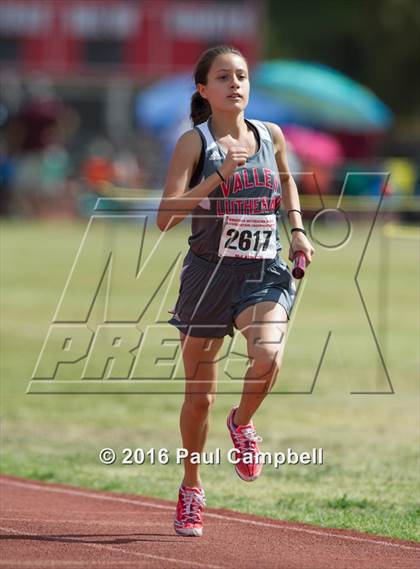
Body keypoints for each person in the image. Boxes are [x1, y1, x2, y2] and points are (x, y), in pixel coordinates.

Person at [157, 45, 315, 537]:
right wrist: (221, 174)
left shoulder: (271, 134)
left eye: (242, 76)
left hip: (263, 270)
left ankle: (243, 422)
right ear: (204, 89)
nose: (236, 84)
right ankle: (191, 488)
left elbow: (287, 180)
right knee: (198, 398)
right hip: (208, 276)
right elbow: (166, 217)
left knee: (267, 354)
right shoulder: (194, 143)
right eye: (223, 77)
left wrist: (297, 229)